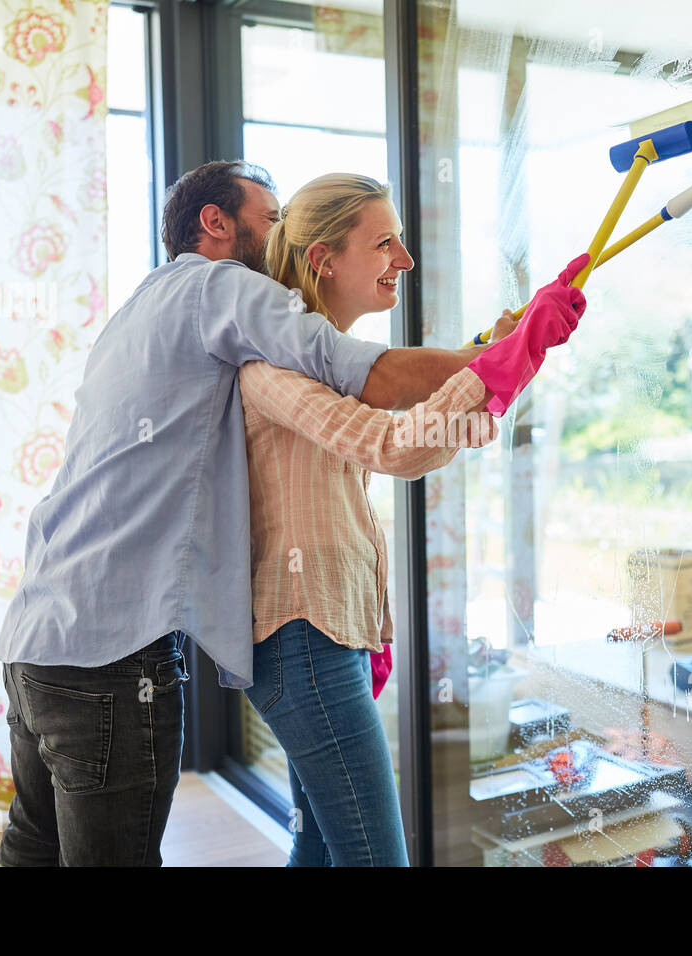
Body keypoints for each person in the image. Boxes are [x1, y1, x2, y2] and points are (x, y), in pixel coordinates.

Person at [0, 160, 507, 866]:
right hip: (113, 653)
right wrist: (500, 360)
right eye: (271, 223)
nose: (279, 244)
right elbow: (370, 387)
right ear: (216, 223)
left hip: (36, 636)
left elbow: (391, 432)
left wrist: (482, 365)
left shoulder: (140, 310)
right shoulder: (219, 290)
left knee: (31, 848)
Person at [237, 172, 588, 865]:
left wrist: (507, 350)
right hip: (302, 639)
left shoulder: (321, 368)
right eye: (384, 243)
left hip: (320, 636)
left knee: (322, 853)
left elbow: (413, 437)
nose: (405, 259)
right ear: (323, 260)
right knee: (375, 857)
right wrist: (511, 359)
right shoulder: (270, 370)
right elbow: (393, 446)